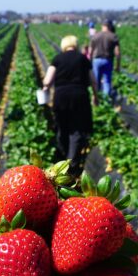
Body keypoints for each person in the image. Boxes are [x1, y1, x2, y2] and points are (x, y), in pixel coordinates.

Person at [43, 35, 99, 177]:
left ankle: (63, 158)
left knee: (62, 127)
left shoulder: (57, 58)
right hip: (80, 97)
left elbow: (47, 80)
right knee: (76, 130)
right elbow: (93, 81)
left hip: (61, 97)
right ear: (76, 44)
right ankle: (72, 164)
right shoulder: (83, 59)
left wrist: (45, 91)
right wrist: (95, 96)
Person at [89, 20, 121, 101]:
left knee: (96, 81)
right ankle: (105, 101)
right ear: (110, 26)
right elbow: (117, 53)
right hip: (108, 60)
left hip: (96, 60)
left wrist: (89, 63)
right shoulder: (113, 36)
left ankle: (96, 99)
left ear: (102, 26)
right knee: (107, 82)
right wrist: (117, 65)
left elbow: (90, 51)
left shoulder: (95, 36)